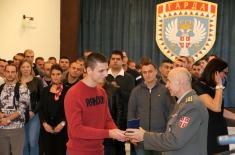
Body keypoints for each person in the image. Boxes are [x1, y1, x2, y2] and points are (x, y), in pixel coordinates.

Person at [125, 67, 208, 155]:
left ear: (180, 82)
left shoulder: (192, 106)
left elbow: (175, 140)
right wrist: (143, 136)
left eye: (169, 81)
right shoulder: (183, 103)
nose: (166, 85)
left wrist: (144, 136)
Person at [64, 53, 126, 155]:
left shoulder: (101, 92)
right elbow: (76, 130)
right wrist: (109, 133)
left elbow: (107, 119)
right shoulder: (73, 94)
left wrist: (117, 132)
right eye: (101, 71)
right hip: (78, 152)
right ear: (89, 70)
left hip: (99, 150)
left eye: (106, 69)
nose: (106, 74)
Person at [128, 62, 174, 155]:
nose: (148, 75)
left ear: (156, 72)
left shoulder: (165, 90)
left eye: (150, 71)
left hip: (160, 137)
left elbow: (171, 113)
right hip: (141, 138)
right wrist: (131, 133)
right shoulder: (136, 91)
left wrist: (170, 133)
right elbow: (131, 113)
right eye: (144, 72)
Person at [192, 58, 230, 154]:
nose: (225, 76)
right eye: (224, 73)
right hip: (208, 132)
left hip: (221, 129)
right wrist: (219, 86)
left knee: (224, 152)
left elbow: (221, 110)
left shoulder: (215, 88)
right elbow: (215, 107)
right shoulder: (198, 86)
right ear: (215, 72)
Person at [0, 64, 30, 155]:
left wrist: (8, 119)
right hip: (1, 128)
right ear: (4, 73)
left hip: (17, 128)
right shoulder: (1, 88)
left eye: (13, 72)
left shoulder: (22, 88)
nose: (10, 74)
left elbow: (22, 109)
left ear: (17, 73)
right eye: (8, 71)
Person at [39, 64, 69, 155]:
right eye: (53, 74)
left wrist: (63, 123)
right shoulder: (45, 90)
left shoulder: (67, 90)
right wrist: (44, 123)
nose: (55, 77)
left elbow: (70, 111)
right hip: (47, 128)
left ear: (62, 75)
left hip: (62, 128)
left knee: (61, 151)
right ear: (50, 75)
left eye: (58, 74)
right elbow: (41, 109)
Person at [18, 59, 43, 155]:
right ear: (20, 69)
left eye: (28, 66)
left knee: (33, 142)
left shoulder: (37, 81)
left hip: (34, 115)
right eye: (23, 67)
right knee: (23, 143)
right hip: (20, 116)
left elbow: (41, 99)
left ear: (31, 67)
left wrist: (33, 112)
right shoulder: (17, 82)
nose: (25, 69)